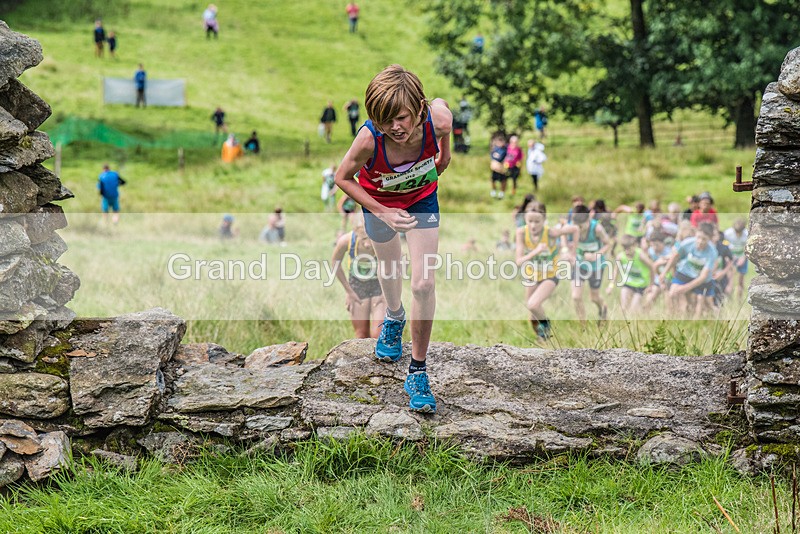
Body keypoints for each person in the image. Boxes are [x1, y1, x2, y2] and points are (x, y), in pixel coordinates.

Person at [333, 64, 452, 413]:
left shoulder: (437, 121)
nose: (394, 128)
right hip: (378, 204)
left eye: (401, 118)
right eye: (385, 120)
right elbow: (343, 178)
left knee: (424, 284)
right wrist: (381, 211)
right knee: (389, 268)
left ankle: (417, 369)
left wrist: (445, 154)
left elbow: (446, 112)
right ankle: (394, 317)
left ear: (419, 108)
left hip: (421, 200)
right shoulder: (370, 138)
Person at [515, 201, 570, 340]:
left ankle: (546, 328)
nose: (533, 225)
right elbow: (519, 261)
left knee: (533, 304)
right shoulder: (521, 232)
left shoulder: (550, 232)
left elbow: (574, 230)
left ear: (544, 220)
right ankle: (542, 338)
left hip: (550, 275)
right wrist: (536, 251)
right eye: (530, 221)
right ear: (525, 219)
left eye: (537, 221)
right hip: (531, 275)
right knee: (531, 314)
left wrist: (569, 252)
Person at [332, 222, 387, 338]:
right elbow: (335, 263)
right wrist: (349, 291)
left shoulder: (384, 237)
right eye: (363, 239)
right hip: (357, 286)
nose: (367, 244)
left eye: (370, 238)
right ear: (356, 234)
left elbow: (399, 262)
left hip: (380, 286)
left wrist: (389, 293)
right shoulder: (346, 240)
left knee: (379, 334)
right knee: (361, 335)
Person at [661, 222, 719, 319]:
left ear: (709, 239)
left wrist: (684, 288)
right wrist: (664, 272)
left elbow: (703, 277)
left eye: (704, 239)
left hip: (702, 280)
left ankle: (717, 319)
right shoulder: (688, 243)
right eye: (699, 237)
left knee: (704, 304)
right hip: (686, 272)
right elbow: (675, 257)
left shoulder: (712, 252)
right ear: (696, 234)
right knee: (672, 293)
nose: (700, 241)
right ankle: (673, 318)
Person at [565, 205, 611, 325]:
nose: (578, 229)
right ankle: (583, 326)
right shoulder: (571, 226)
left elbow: (607, 244)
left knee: (594, 298)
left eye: (581, 226)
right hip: (579, 265)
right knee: (576, 296)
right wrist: (568, 252)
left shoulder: (597, 228)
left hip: (596, 267)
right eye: (576, 226)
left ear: (588, 220)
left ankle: (603, 308)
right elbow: (563, 236)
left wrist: (596, 255)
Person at [609, 234, 655, 317]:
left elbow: (652, 267)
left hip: (641, 286)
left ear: (634, 245)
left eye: (629, 248)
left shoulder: (641, 256)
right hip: (628, 284)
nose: (626, 251)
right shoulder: (621, 256)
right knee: (623, 308)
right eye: (624, 248)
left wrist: (651, 285)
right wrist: (611, 285)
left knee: (633, 311)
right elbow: (616, 271)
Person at [723, 218, 748, 300]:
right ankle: (728, 297)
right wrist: (729, 257)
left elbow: (747, 247)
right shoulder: (727, 233)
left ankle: (739, 299)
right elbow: (724, 244)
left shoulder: (747, 234)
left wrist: (743, 258)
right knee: (730, 277)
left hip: (742, 256)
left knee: (740, 279)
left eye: (739, 233)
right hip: (731, 257)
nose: (737, 235)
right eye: (736, 232)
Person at [489, 132, 507, 199]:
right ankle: (494, 191)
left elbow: (500, 158)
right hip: (494, 168)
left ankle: (501, 193)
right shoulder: (495, 148)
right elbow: (493, 156)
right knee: (493, 180)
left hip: (501, 168)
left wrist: (496, 158)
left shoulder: (505, 149)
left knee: (503, 181)